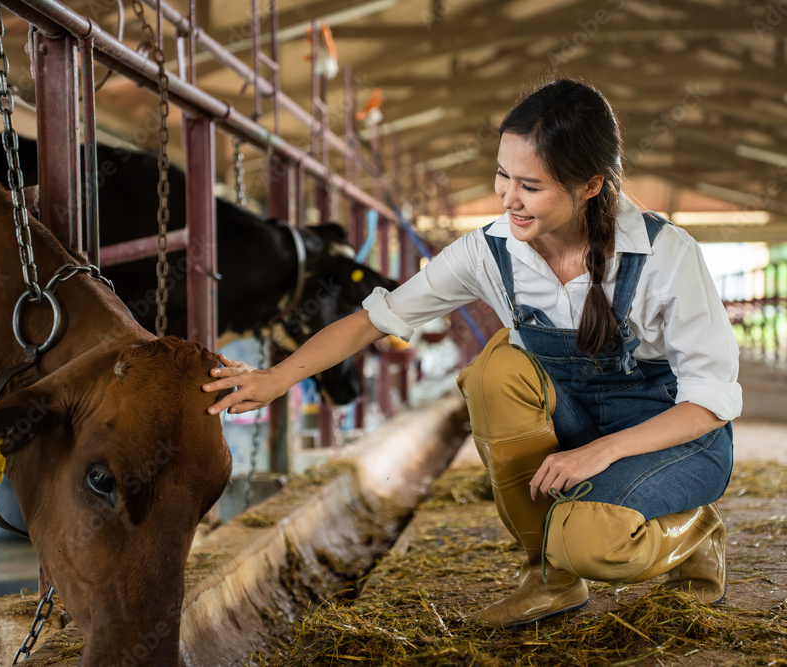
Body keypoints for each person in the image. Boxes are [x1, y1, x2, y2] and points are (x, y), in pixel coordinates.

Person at [202, 78, 741, 629]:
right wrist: (275, 378)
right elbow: (375, 319)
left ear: (590, 185)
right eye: (503, 176)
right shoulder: (490, 251)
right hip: (577, 423)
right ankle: (548, 579)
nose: (509, 198)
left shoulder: (665, 254)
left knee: (592, 543)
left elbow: (711, 402)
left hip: (674, 437)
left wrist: (600, 454)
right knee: (494, 372)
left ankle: (694, 532)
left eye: (530, 186)